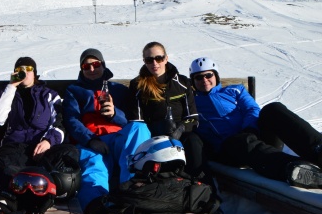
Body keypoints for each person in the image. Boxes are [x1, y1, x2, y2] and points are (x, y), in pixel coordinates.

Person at [189, 57, 322, 188]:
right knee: (240, 140)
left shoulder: (235, 90)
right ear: (193, 81)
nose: (204, 80)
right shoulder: (191, 103)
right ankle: (297, 170)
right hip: (228, 148)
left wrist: (250, 128)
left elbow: (252, 108)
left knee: (273, 109)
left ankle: (318, 149)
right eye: (198, 77)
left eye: (208, 75)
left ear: (216, 75)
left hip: (253, 135)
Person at [62, 48, 151, 214]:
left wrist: (114, 114)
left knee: (139, 129)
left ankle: (133, 187)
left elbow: (132, 118)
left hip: (118, 139)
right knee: (94, 166)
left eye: (96, 64)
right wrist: (91, 139)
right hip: (91, 141)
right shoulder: (74, 91)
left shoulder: (119, 90)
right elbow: (71, 120)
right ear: (81, 68)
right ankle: (97, 208)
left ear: (103, 65)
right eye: (87, 65)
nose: (92, 68)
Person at [0, 57, 72, 190]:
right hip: (16, 146)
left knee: (69, 152)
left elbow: (59, 123)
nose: (24, 72)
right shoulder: (8, 93)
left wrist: (48, 141)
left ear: (34, 73)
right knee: (4, 163)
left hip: (43, 146)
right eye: (19, 69)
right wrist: (11, 86)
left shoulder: (48, 95)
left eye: (28, 69)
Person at [126, 42, 204, 179]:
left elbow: (192, 117)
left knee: (194, 142)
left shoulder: (182, 83)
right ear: (144, 61)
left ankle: (199, 182)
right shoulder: (138, 85)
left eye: (159, 58)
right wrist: (156, 130)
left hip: (180, 133)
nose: (154, 63)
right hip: (153, 135)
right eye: (149, 60)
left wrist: (181, 129)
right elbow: (136, 120)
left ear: (166, 58)